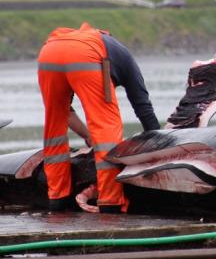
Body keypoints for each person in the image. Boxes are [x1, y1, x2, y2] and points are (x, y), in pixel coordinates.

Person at [37, 22, 160, 213]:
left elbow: (66, 112)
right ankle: (111, 202)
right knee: (106, 129)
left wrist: (87, 135)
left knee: (54, 127)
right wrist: (158, 141)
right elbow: (142, 107)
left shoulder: (101, 45)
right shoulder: (125, 58)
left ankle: (57, 199)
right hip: (86, 52)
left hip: (49, 51)